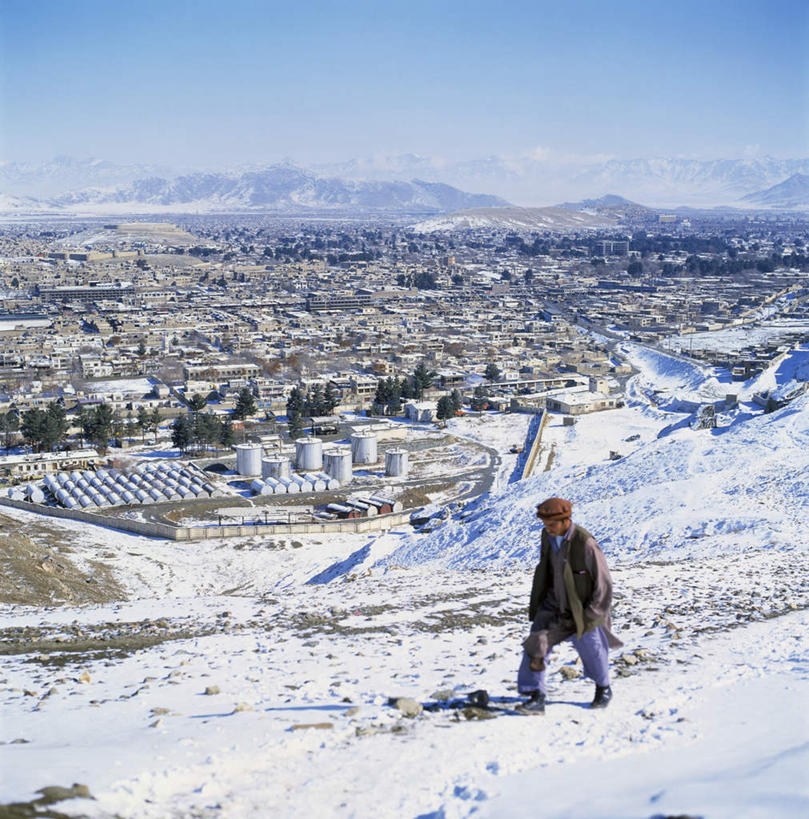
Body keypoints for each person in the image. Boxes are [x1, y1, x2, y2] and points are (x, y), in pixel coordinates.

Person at [517, 496, 622, 714]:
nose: (548, 529)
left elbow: (603, 582)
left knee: (593, 648)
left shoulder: (586, 543)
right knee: (536, 644)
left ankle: (603, 688)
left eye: (552, 524)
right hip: (553, 606)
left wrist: (591, 615)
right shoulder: (547, 536)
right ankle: (536, 696)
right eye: (545, 525)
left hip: (583, 609)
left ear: (566, 520)